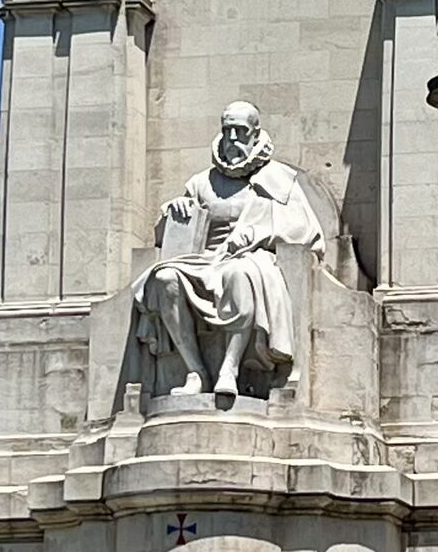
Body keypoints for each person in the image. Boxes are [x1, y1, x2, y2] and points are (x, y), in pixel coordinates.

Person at [130, 102, 325, 400]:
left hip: (248, 257)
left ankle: (229, 368)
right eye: (227, 130)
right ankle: (195, 370)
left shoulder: (278, 179)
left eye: (241, 131)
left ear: (255, 133)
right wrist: (173, 210)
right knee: (165, 277)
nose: (233, 138)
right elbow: (167, 236)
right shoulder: (201, 183)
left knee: (241, 274)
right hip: (203, 260)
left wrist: (257, 234)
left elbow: (305, 231)